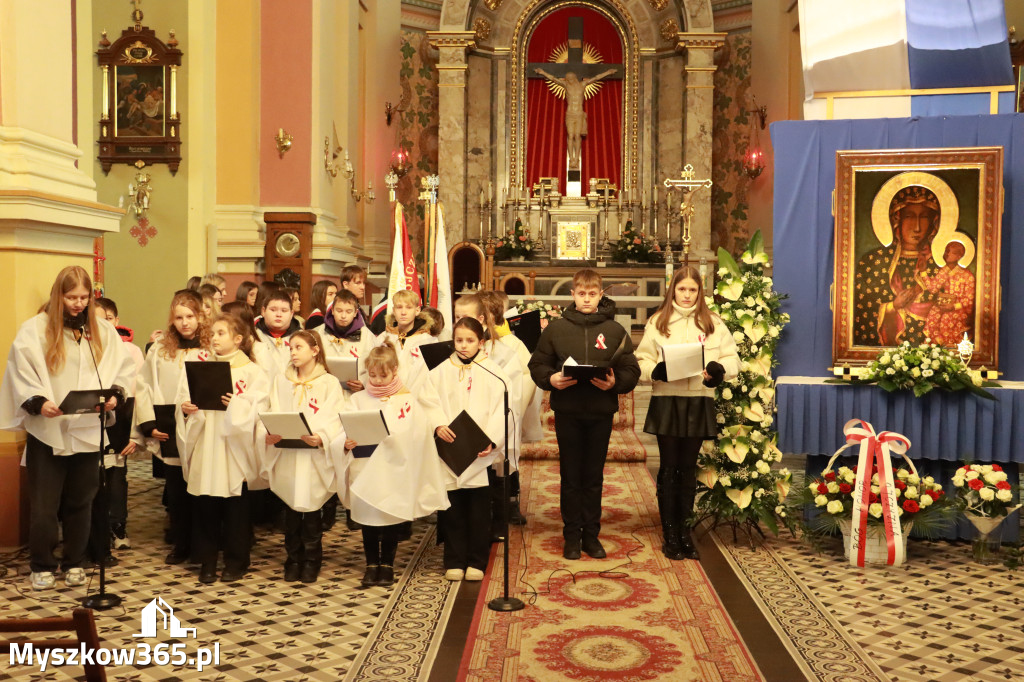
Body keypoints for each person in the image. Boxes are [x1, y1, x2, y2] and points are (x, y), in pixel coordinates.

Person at [0, 266, 135, 591]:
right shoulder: (35, 330)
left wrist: (114, 395)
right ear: (58, 295)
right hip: (48, 429)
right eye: (71, 297)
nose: (77, 304)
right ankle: (42, 563)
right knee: (45, 506)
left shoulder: (100, 331)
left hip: (87, 428)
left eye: (83, 297)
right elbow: (20, 371)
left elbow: (124, 369)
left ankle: (75, 560)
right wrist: (37, 401)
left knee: (81, 501)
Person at [528, 268, 640, 560]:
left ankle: (591, 535)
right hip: (569, 412)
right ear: (572, 295)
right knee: (570, 475)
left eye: (592, 294)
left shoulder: (615, 331)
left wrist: (616, 382)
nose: (587, 299)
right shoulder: (556, 329)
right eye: (581, 294)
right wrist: (550, 379)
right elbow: (538, 364)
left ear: (601, 295)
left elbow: (631, 370)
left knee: (593, 476)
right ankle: (571, 536)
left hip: (600, 413)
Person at [635, 266, 739, 560]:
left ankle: (685, 531)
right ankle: (669, 533)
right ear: (673, 290)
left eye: (692, 290)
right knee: (669, 468)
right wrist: (654, 370)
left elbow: (732, 360)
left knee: (688, 468)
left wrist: (719, 371)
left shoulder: (712, 322)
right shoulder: (659, 321)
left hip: (698, 400)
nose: (687, 294)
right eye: (682, 289)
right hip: (668, 400)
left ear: (699, 292)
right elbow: (641, 360)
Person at [337, 342, 450, 588]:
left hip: (393, 467)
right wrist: (345, 442)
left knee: (388, 515)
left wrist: (396, 439)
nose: (376, 381)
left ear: (395, 370)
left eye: (383, 375)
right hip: (365, 466)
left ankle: (387, 563)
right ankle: (370, 564)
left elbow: (418, 432)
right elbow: (342, 427)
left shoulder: (407, 399)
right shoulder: (357, 399)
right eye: (372, 375)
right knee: (367, 517)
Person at [177, 313, 270, 584]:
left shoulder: (252, 371)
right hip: (206, 440)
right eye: (213, 334)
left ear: (238, 339)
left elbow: (261, 407)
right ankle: (206, 561)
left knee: (235, 507)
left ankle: (236, 561)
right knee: (205, 503)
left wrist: (238, 405)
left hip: (233, 446)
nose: (214, 339)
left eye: (221, 333)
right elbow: (183, 395)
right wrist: (185, 407)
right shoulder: (198, 365)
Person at [259, 331, 345, 583]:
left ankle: (311, 560)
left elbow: (336, 416)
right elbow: (272, 410)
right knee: (292, 510)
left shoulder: (329, 382)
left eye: (298, 347)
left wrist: (322, 436)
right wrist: (270, 432)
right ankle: (293, 558)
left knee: (311, 509)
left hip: (313, 456)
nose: (293, 352)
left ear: (315, 350)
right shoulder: (281, 381)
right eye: (290, 348)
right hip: (288, 454)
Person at [136, 290, 212, 565]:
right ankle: (182, 544)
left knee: (202, 489)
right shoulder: (159, 349)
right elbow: (144, 387)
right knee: (177, 492)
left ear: (201, 316)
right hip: (169, 424)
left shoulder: (211, 348)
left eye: (190, 316)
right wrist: (149, 424)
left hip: (204, 426)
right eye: (179, 317)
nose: (185, 323)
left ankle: (205, 546)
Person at [429, 318, 507, 581]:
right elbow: (427, 400)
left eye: (470, 340)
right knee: (452, 508)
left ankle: (476, 560)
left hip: (478, 452)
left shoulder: (493, 371)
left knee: (478, 509)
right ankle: (454, 559)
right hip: (450, 448)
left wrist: (492, 439)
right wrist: (438, 424)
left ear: (481, 342)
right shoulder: (439, 370)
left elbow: (504, 408)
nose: (463, 346)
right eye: (459, 340)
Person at [454, 294, 526, 537]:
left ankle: (497, 524)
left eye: (466, 318)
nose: (460, 322)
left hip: (491, 425)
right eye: (456, 318)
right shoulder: (452, 349)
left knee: (496, 474)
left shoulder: (503, 352)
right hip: (459, 424)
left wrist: (493, 430)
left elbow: (512, 394)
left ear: (481, 320)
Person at [89, 297, 145, 561]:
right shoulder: (85, 347)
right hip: (91, 420)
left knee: (116, 476)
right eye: (97, 320)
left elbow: (135, 393)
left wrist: (134, 433)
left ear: (116, 321)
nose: (104, 325)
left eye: (108, 319)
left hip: (120, 418)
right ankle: (95, 531)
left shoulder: (130, 351)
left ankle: (118, 525)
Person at [853, 185, 942, 347]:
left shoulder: (939, 265)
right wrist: (892, 307)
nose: (917, 227)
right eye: (909, 217)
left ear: (933, 222)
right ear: (896, 220)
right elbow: (861, 312)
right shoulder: (873, 262)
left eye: (923, 218)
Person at [533, 67, 617, 169]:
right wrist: (543, 72)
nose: (569, 80)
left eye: (571, 78)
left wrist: (608, 72)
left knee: (577, 135)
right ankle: (571, 158)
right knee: (570, 135)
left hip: (579, 114)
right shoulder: (566, 85)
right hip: (570, 114)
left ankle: (577, 158)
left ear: (575, 78)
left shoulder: (583, 85)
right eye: (568, 79)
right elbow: (553, 79)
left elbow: (596, 78)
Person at [921, 239, 976, 346]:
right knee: (933, 314)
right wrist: (923, 272)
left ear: (959, 256)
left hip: (959, 309)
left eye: (950, 252)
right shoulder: (944, 271)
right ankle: (935, 348)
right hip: (944, 305)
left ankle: (949, 349)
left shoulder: (967, 275)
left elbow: (969, 300)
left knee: (946, 319)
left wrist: (953, 306)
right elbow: (933, 288)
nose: (947, 254)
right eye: (946, 251)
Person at [255, 290, 302, 376]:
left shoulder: (302, 338)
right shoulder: (253, 337)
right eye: (273, 310)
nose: (278, 314)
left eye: (284, 311)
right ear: (263, 311)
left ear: (291, 313)